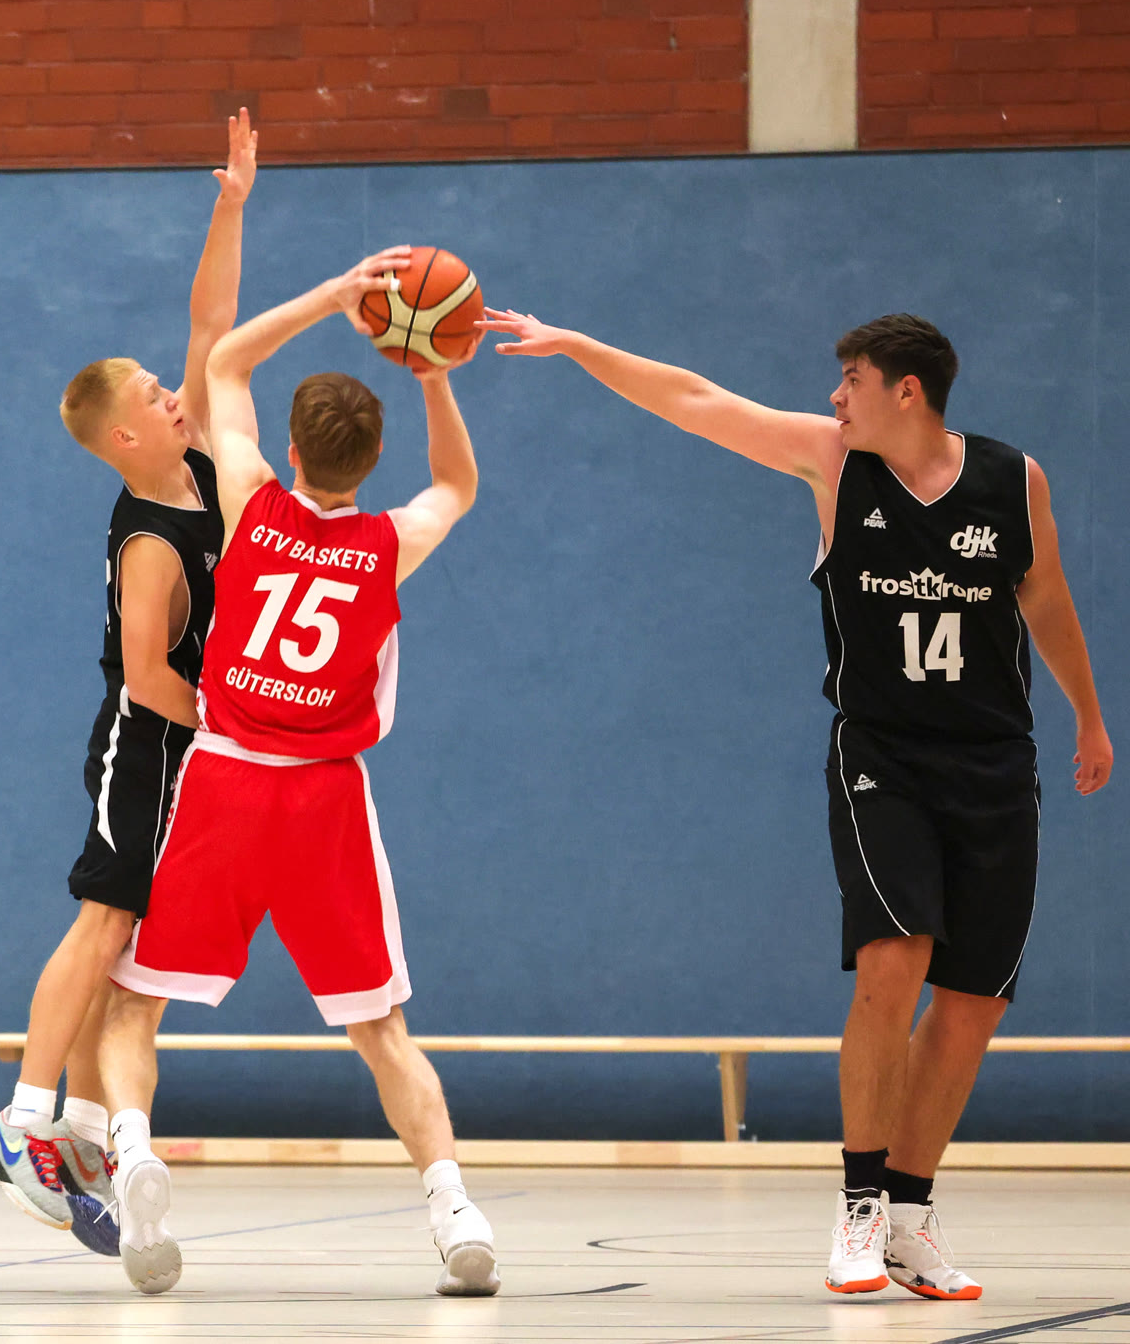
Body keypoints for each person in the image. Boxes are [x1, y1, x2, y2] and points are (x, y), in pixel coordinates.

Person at [474, 306, 1112, 1299]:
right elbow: (696, 401)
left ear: (906, 390)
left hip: (994, 760)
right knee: (893, 957)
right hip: (883, 756)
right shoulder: (832, 462)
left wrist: (1088, 717)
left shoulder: (1013, 480)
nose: (833, 396)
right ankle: (858, 1205)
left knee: (973, 1003)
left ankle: (909, 1216)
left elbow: (1044, 597)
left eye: (850, 379)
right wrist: (580, 346)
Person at [94, 249, 501, 1298]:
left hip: (224, 780)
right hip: (324, 796)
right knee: (380, 1029)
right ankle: (453, 1207)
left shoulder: (250, 502)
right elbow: (457, 485)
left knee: (132, 1007)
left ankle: (132, 1155)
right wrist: (433, 374)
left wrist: (331, 294)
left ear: (288, 448)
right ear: (371, 458)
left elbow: (224, 362)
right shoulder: (390, 542)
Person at [0, 112, 254, 1255]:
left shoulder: (199, 466)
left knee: (137, 945)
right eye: (151, 391)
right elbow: (144, 675)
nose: (171, 391)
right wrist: (227, 724)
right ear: (123, 435)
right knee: (102, 919)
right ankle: (23, 1120)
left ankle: (82, 1128)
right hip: (146, 742)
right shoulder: (146, 539)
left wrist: (228, 204)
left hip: (190, 751)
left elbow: (210, 323)